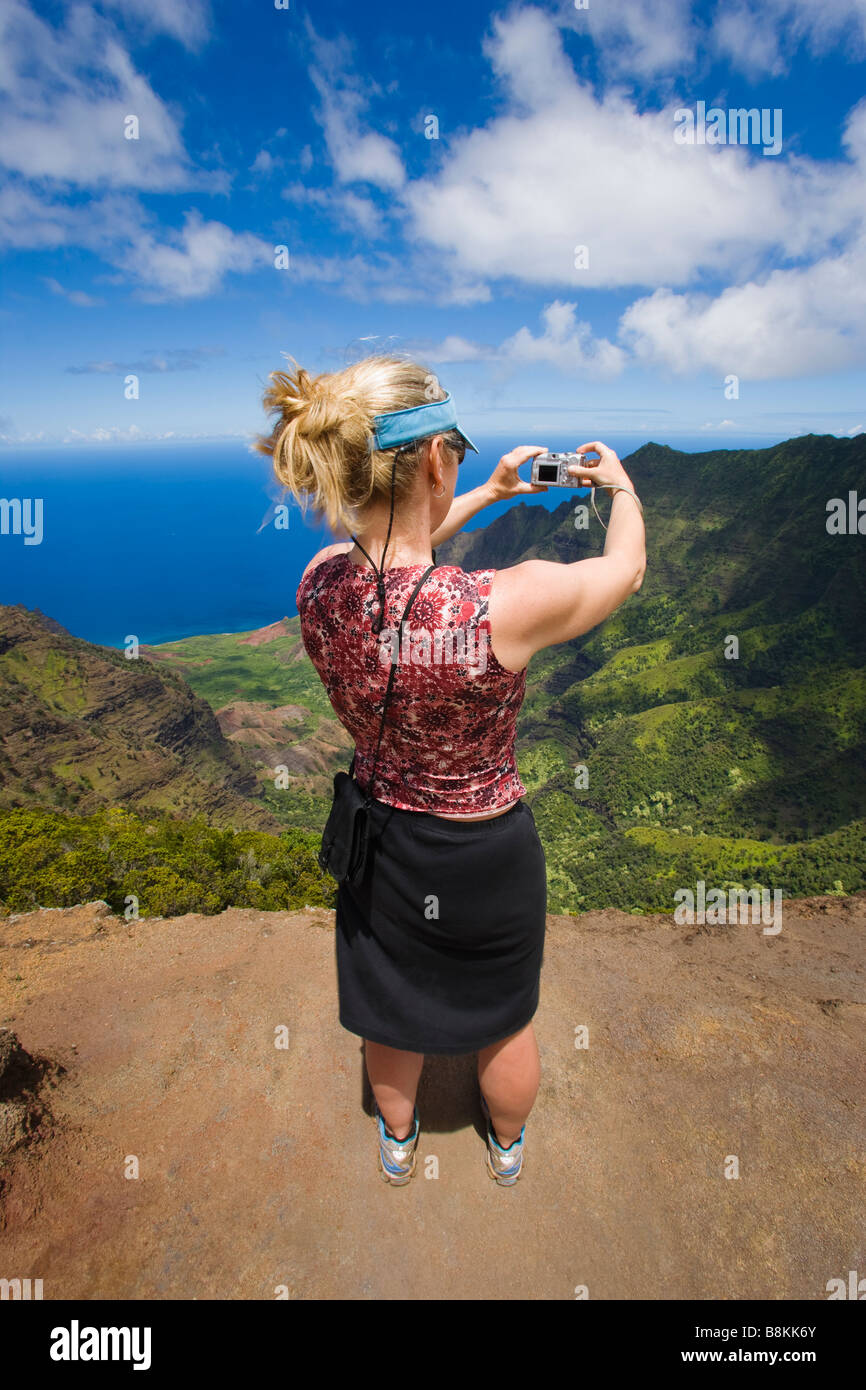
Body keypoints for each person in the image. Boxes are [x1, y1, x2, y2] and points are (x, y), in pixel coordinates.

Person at [256, 354, 646, 1186]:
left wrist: (496, 493)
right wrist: (621, 488)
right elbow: (625, 571)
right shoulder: (502, 604)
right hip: (485, 851)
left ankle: (397, 1142)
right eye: (457, 451)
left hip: (379, 837)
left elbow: (390, 550)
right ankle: (505, 1149)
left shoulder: (319, 583)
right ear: (435, 458)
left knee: (387, 1007)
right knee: (502, 1020)